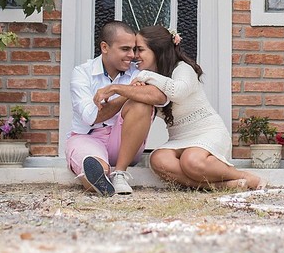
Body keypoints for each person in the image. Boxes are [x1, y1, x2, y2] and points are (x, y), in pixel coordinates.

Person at [95, 24, 263, 190]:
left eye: (140, 50)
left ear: (157, 50)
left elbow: (177, 91)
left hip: (207, 132)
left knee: (191, 161)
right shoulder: (151, 78)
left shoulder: (182, 69)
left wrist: (145, 76)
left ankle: (241, 175)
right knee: (158, 161)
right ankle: (223, 186)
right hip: (179, 139)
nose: (134, 55)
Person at [67, 20, 159, 196]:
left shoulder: (137, 71)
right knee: (94, 165)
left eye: (134, 49)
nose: (132, 55)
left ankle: (120, 173)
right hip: (88, 137)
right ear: (104, 47)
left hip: (124, 142)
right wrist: (129, 92)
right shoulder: (82, 73)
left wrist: (118, 90)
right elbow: (91, 117)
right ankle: (100, 180)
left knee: (141, 103)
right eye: (125, 49)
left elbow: (160, 97)